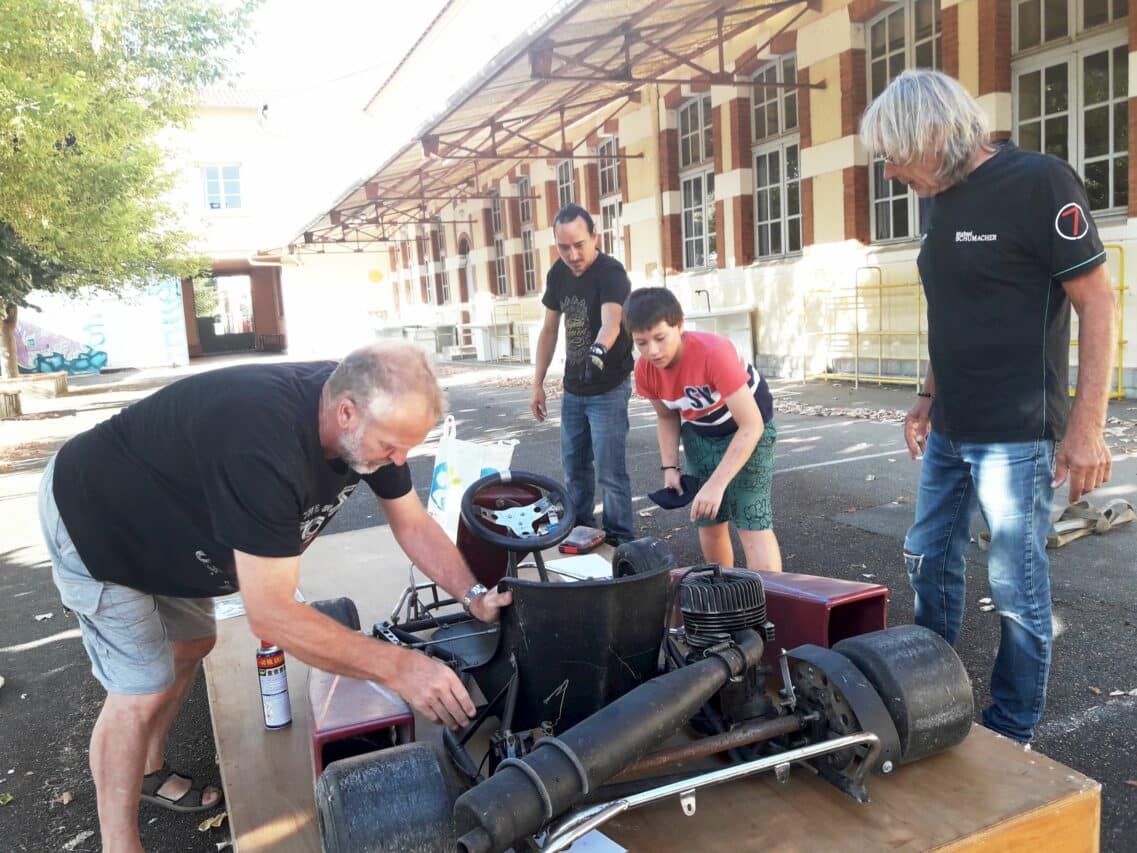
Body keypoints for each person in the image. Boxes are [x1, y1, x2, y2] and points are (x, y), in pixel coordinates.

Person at [38, 341, 511, 853]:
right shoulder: (263, 441)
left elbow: (412, 522)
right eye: (393, 447)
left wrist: (473, 594)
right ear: (345, 412)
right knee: (140, 688)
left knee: (193, 644)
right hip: (98, 521)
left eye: (407, 448)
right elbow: (272, 614)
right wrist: (399, 667)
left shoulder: (371, 416)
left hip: (176, 529)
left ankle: (148, 770)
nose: (399, 461)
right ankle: (119, 844)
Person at [860, 70, 1117, 744]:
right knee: (926, 557)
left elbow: (1097, 302)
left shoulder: (1039, 182)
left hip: (1015, 432)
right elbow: (951, 310)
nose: (887, 171)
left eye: (892, 153)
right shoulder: (937, 196)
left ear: (934, 134)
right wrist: (925, 393)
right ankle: (926, 695)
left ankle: (1010, 731)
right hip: (950, 424)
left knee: (1014, 585)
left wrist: (1087, 429)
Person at [625, 287, 782, 572]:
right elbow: (667, 417)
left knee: (751, 520)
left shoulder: (713, 353)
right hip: (700, 433)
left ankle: (768, 608)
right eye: (642, 343)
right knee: (708, 518)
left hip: (747, 431)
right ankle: (721, 597)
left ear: (680, 325)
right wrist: (669, 468)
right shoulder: (644, 370)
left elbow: (752, 425)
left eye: (660, 338)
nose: (653, 351)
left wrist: (717, 484)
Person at [531, 203, 635, 546]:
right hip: (574, 388)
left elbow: (612, 322)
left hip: (609, 386)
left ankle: (620, 539)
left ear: (595, 237)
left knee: (610, 469)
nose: (572, 254)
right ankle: (579, 529)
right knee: (574, 467)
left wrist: (598, 350)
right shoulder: (556, 275)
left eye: (579, 244)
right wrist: (538, 384)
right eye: (563, 247)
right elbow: (549, 331)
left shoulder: (611, 272)